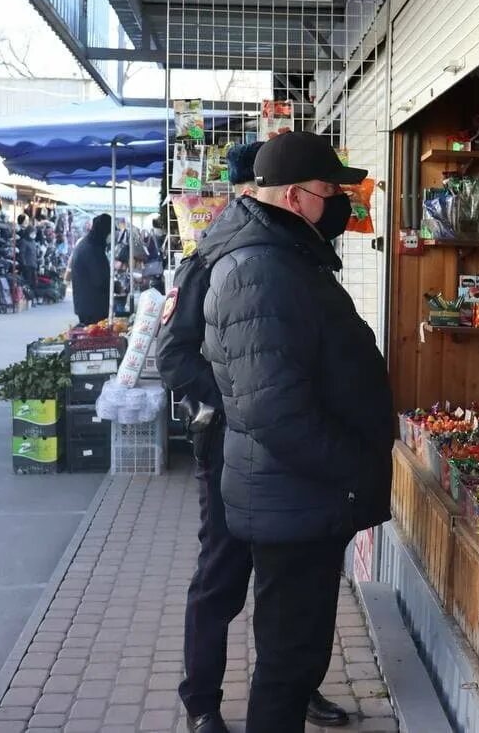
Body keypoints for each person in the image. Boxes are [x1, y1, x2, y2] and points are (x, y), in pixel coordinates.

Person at [202, 132, 394, 733]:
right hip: (298, 493)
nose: (341, 202)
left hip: (300, 495)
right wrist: (355, 468)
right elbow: (275, 412)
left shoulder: (282, 257)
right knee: (288, 663)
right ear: (295, 196)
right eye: (332, 190)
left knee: (297, 653)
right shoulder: (263, 268)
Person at [158, 141, 349, 733]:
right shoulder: (218, 257)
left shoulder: (289, 251)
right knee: (221, 578)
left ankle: (297, 687)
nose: (338, 204)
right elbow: (174, 356)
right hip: (229, 451)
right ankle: (202, 702)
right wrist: (236, 405)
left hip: (280, 458)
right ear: (255, 194)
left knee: (288, 591)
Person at [70, 213, 111, 326]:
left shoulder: (89, 244)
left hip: (87, 305)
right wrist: (113, 286)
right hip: (92, 308)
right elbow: (99, 279)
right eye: (109, 232)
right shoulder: (92, 249)